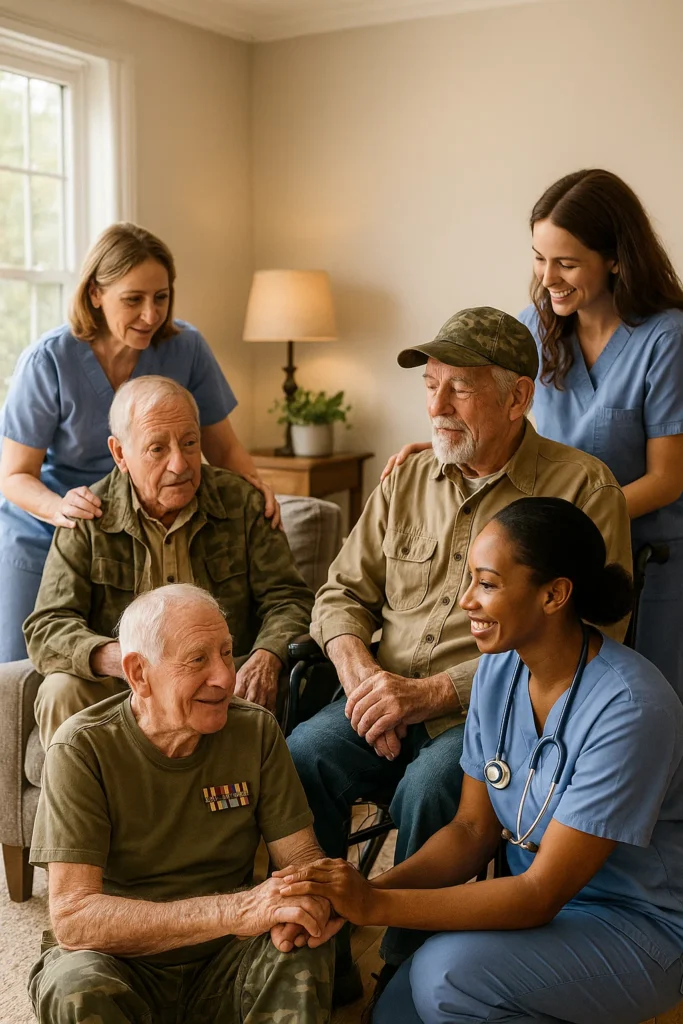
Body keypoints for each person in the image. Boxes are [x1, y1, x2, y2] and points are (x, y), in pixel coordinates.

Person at [287, 306, 632, 1003]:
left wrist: (428, 695)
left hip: (487, 718)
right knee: (298, 755)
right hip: (376, 693)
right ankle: (316, 953)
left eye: (459, 388)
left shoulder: (580, 488)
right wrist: (362, 679)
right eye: (430, 385)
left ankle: (401, 970)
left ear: (516, 397)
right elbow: (339, 594)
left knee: (431, 788)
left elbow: (594, 637)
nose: (436, 406)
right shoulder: (407, 477)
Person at [277, 498, 683, 1024]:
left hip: (632, 927)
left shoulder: (630, 709)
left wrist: (374, 908)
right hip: (533, 910)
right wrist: (359, 894)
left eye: (487, 584)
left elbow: (540, 893)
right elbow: (471, 831)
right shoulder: (498, 672)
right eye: (470, 579)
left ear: (555, 594)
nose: (466, 600)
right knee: (395, 1015)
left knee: (445, 978)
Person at [385, 170, 683, 698]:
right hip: (555, 561)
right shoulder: (536, 325)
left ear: (616, 257)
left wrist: (576, 518)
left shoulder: (666, 338)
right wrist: (445, 442)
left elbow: (667, 478)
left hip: (649, 563)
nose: (548, 278)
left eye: (566, 263)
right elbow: (500, 410)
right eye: (539, 258)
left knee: (644, 713)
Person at [28, 584, 335, 1024]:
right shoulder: (82, 749)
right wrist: (236, 909)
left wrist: (306, 900)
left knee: (303, 949)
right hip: (121, 962)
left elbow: (301, 857)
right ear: (138, 674)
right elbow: (75, 919)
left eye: (228, 653)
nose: (226, 677)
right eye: (198, 659)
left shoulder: (256, 732)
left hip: (228, 959)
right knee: (75, 987)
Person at [0, 222, 280, 664]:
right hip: (54, 525)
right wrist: (61, 510)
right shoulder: (48, 361)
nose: (151, 315)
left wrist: (256, 487)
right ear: (95, 293)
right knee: (25, 665)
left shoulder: (185, 347)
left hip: (141, 521)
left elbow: (222, 447)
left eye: (161, 297)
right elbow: (14, 475)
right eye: (133, 299)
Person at [24, 376, 313, 747]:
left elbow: (290, 599)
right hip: (128, 688)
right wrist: (123, 661)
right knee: (60, 689)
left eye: (190, 443)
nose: (180, 464)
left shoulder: (242, 503)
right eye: (157, 449)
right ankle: (83, 804)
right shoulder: (87, 518)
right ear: (120, 454)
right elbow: (47, 627)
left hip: (219, 679)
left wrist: (266, 655)